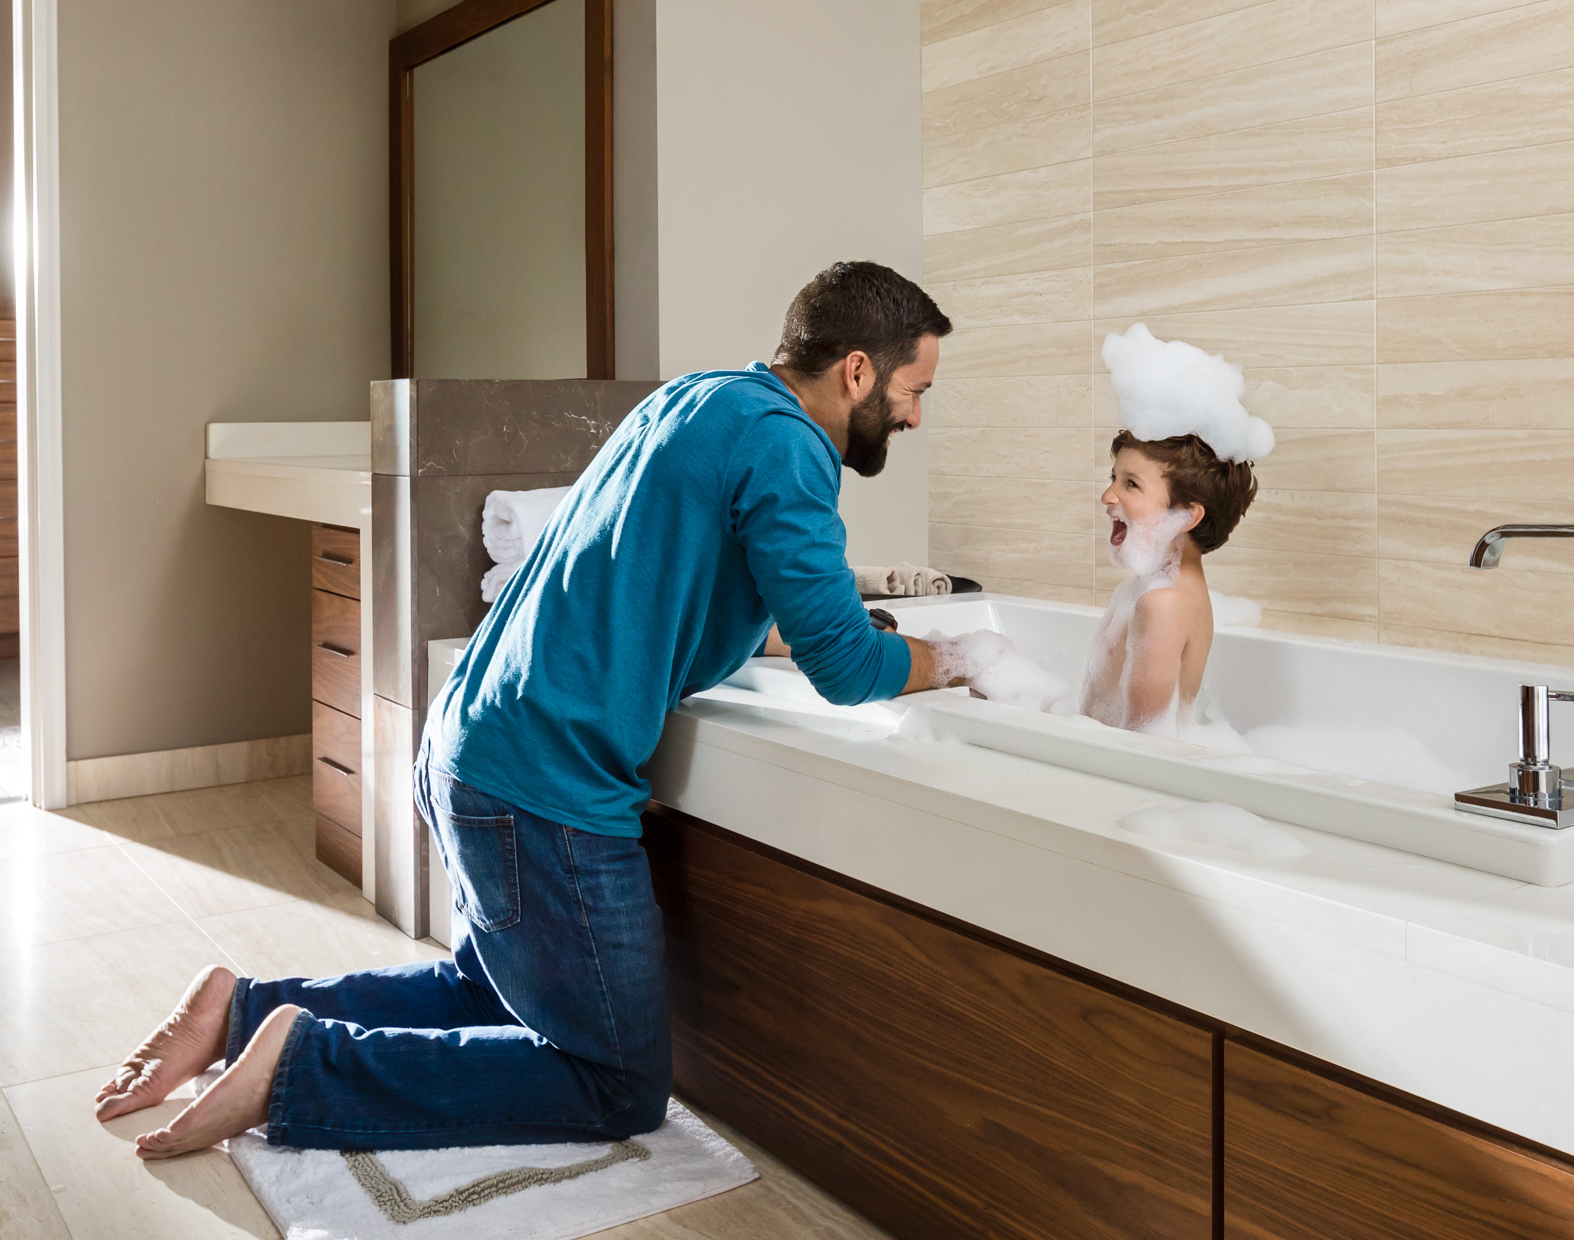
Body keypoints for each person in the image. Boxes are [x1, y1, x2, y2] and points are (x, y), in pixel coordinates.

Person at [93, 261, 1027, 1160]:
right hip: (543, 782)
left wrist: (853, 623)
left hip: (474, 741)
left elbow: (713, 606)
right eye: (914, 389)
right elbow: (843, 665)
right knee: (616, 1083)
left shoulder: (701, 399)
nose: (911, 414)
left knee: (501, 996)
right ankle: (302, 1069)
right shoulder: (790, 447)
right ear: (857, 369)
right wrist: (957, 657)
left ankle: (240, 1011)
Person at [1079, 324, 1267, 737]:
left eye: (1131, 484)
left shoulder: (1161, 604)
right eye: (1115, 477)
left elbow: (1141, 742)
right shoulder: (1167, 590)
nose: (1108, 496)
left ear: (1187, 516)